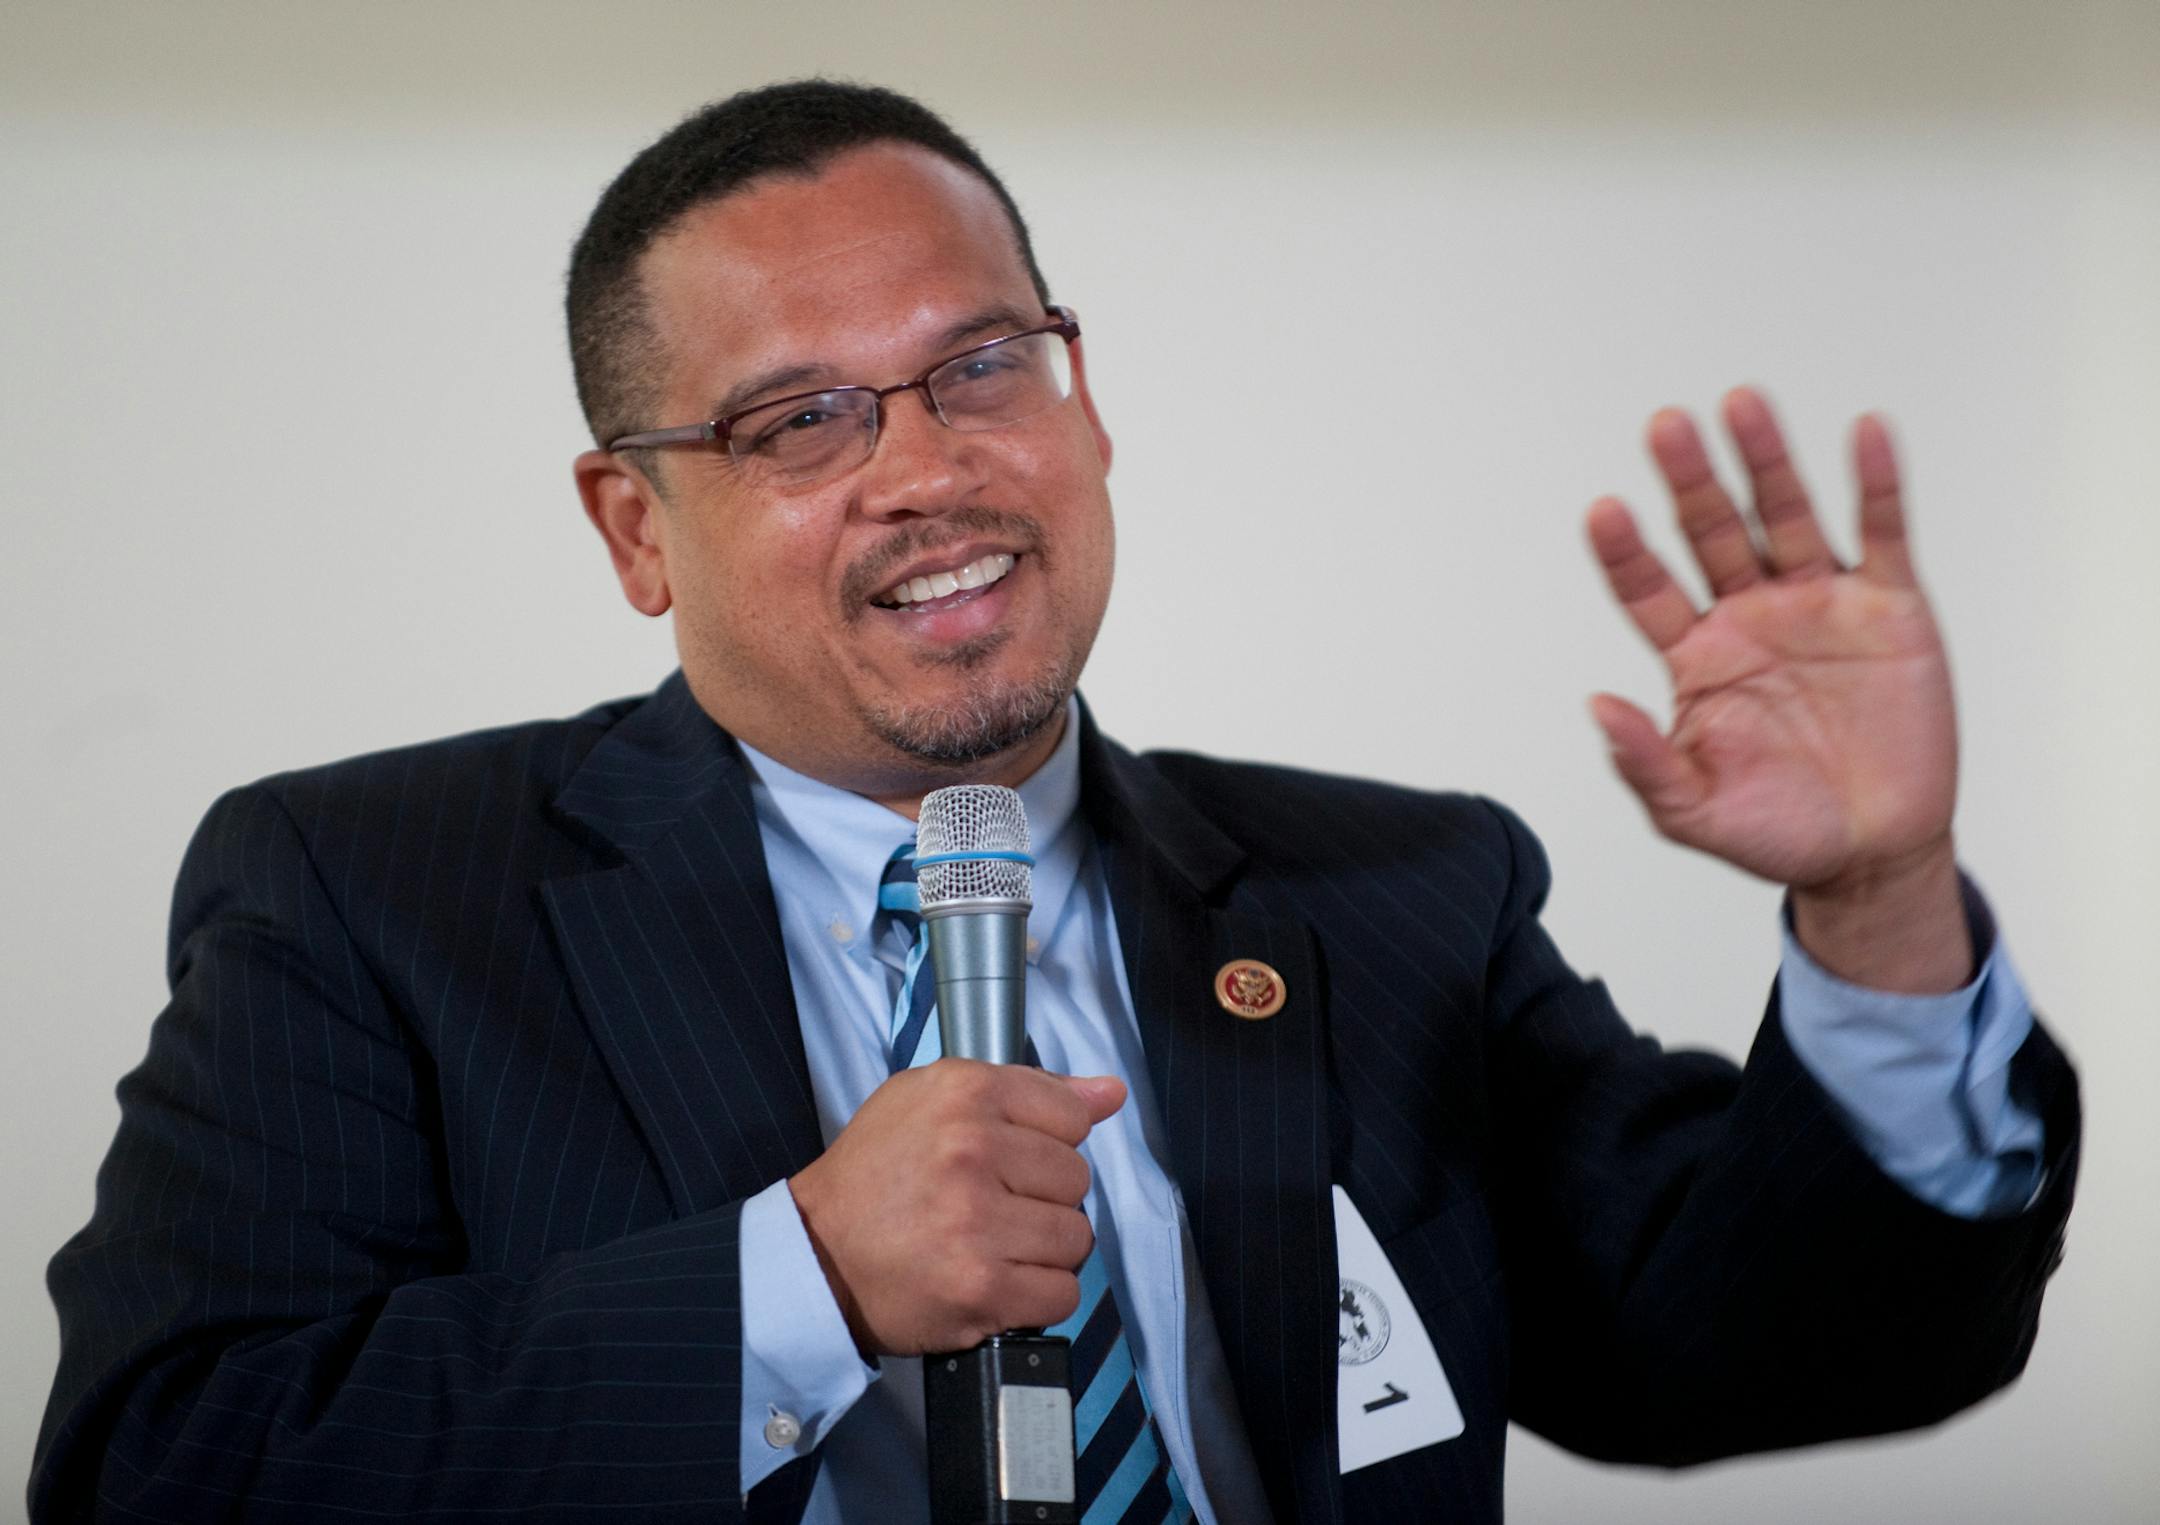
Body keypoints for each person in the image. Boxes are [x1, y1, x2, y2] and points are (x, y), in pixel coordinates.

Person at [32, 80, 2077, 1525]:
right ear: (634, 527)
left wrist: (1883, 902)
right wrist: (798, 1284)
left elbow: (1782, 1347)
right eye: (799, 418)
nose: (928, 467)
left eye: (983, 363)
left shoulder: (1395, 890)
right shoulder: (372, 893)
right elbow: (162, 1467)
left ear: (1085, 399)